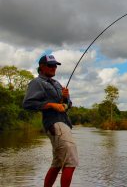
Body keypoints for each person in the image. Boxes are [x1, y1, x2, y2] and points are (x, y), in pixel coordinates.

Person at [23, 54, 78, 187]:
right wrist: (51, 105)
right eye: (50, 65)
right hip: (54, 124)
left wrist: (65, 99)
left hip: (64, 123)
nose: (54, 68)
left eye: (55, 65)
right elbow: (28, 103)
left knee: (58, 162)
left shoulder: (57, 84)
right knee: (71, 160)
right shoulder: (37, 82)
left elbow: (67, 105)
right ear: (41, 67)